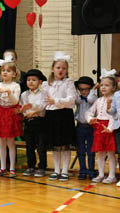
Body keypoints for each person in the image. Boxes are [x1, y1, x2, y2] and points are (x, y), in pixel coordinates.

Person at [42, 52, 77, 181]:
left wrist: (56, 101)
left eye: (63, 68)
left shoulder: (68, 82)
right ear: (52, 69)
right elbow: (44, 100)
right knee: (55, 145)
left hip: (65, 115)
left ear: (66, 70)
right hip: (51, 116)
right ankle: (56, 170)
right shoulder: (47, 84)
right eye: (58, 67)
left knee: (65, 144)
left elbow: (71, 99)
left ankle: (65, 171)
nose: (61, 70)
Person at [20, 69, 48, 177]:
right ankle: (30, 166)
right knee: (29, 146)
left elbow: (42, 107)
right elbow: (22, 108)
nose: (31, 82)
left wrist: (33, 111)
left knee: (41, 146)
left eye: (34, 80)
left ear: (40, 82)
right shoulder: (24, 95)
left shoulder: (43, 94)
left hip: (40, 122)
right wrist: (24, 112)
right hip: (29, 122)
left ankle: (42, 167)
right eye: (28, 80)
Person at [74, 76, 98, 180]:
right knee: (80, 150)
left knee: (91, 151)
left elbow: (90, 99)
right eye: (81, 89)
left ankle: (91, 170)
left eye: (87, 89)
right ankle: (82, 170)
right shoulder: (78, 99)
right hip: (80, 126)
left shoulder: (94, 98)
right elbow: (76, 98)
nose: (84, 92)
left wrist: (93, 90)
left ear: (91, 89)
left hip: (91, 127)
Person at [108, 71, 120, 186]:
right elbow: (113, 111)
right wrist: (109, 108)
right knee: (119, 152)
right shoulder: (116, 95)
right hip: (118, 127)